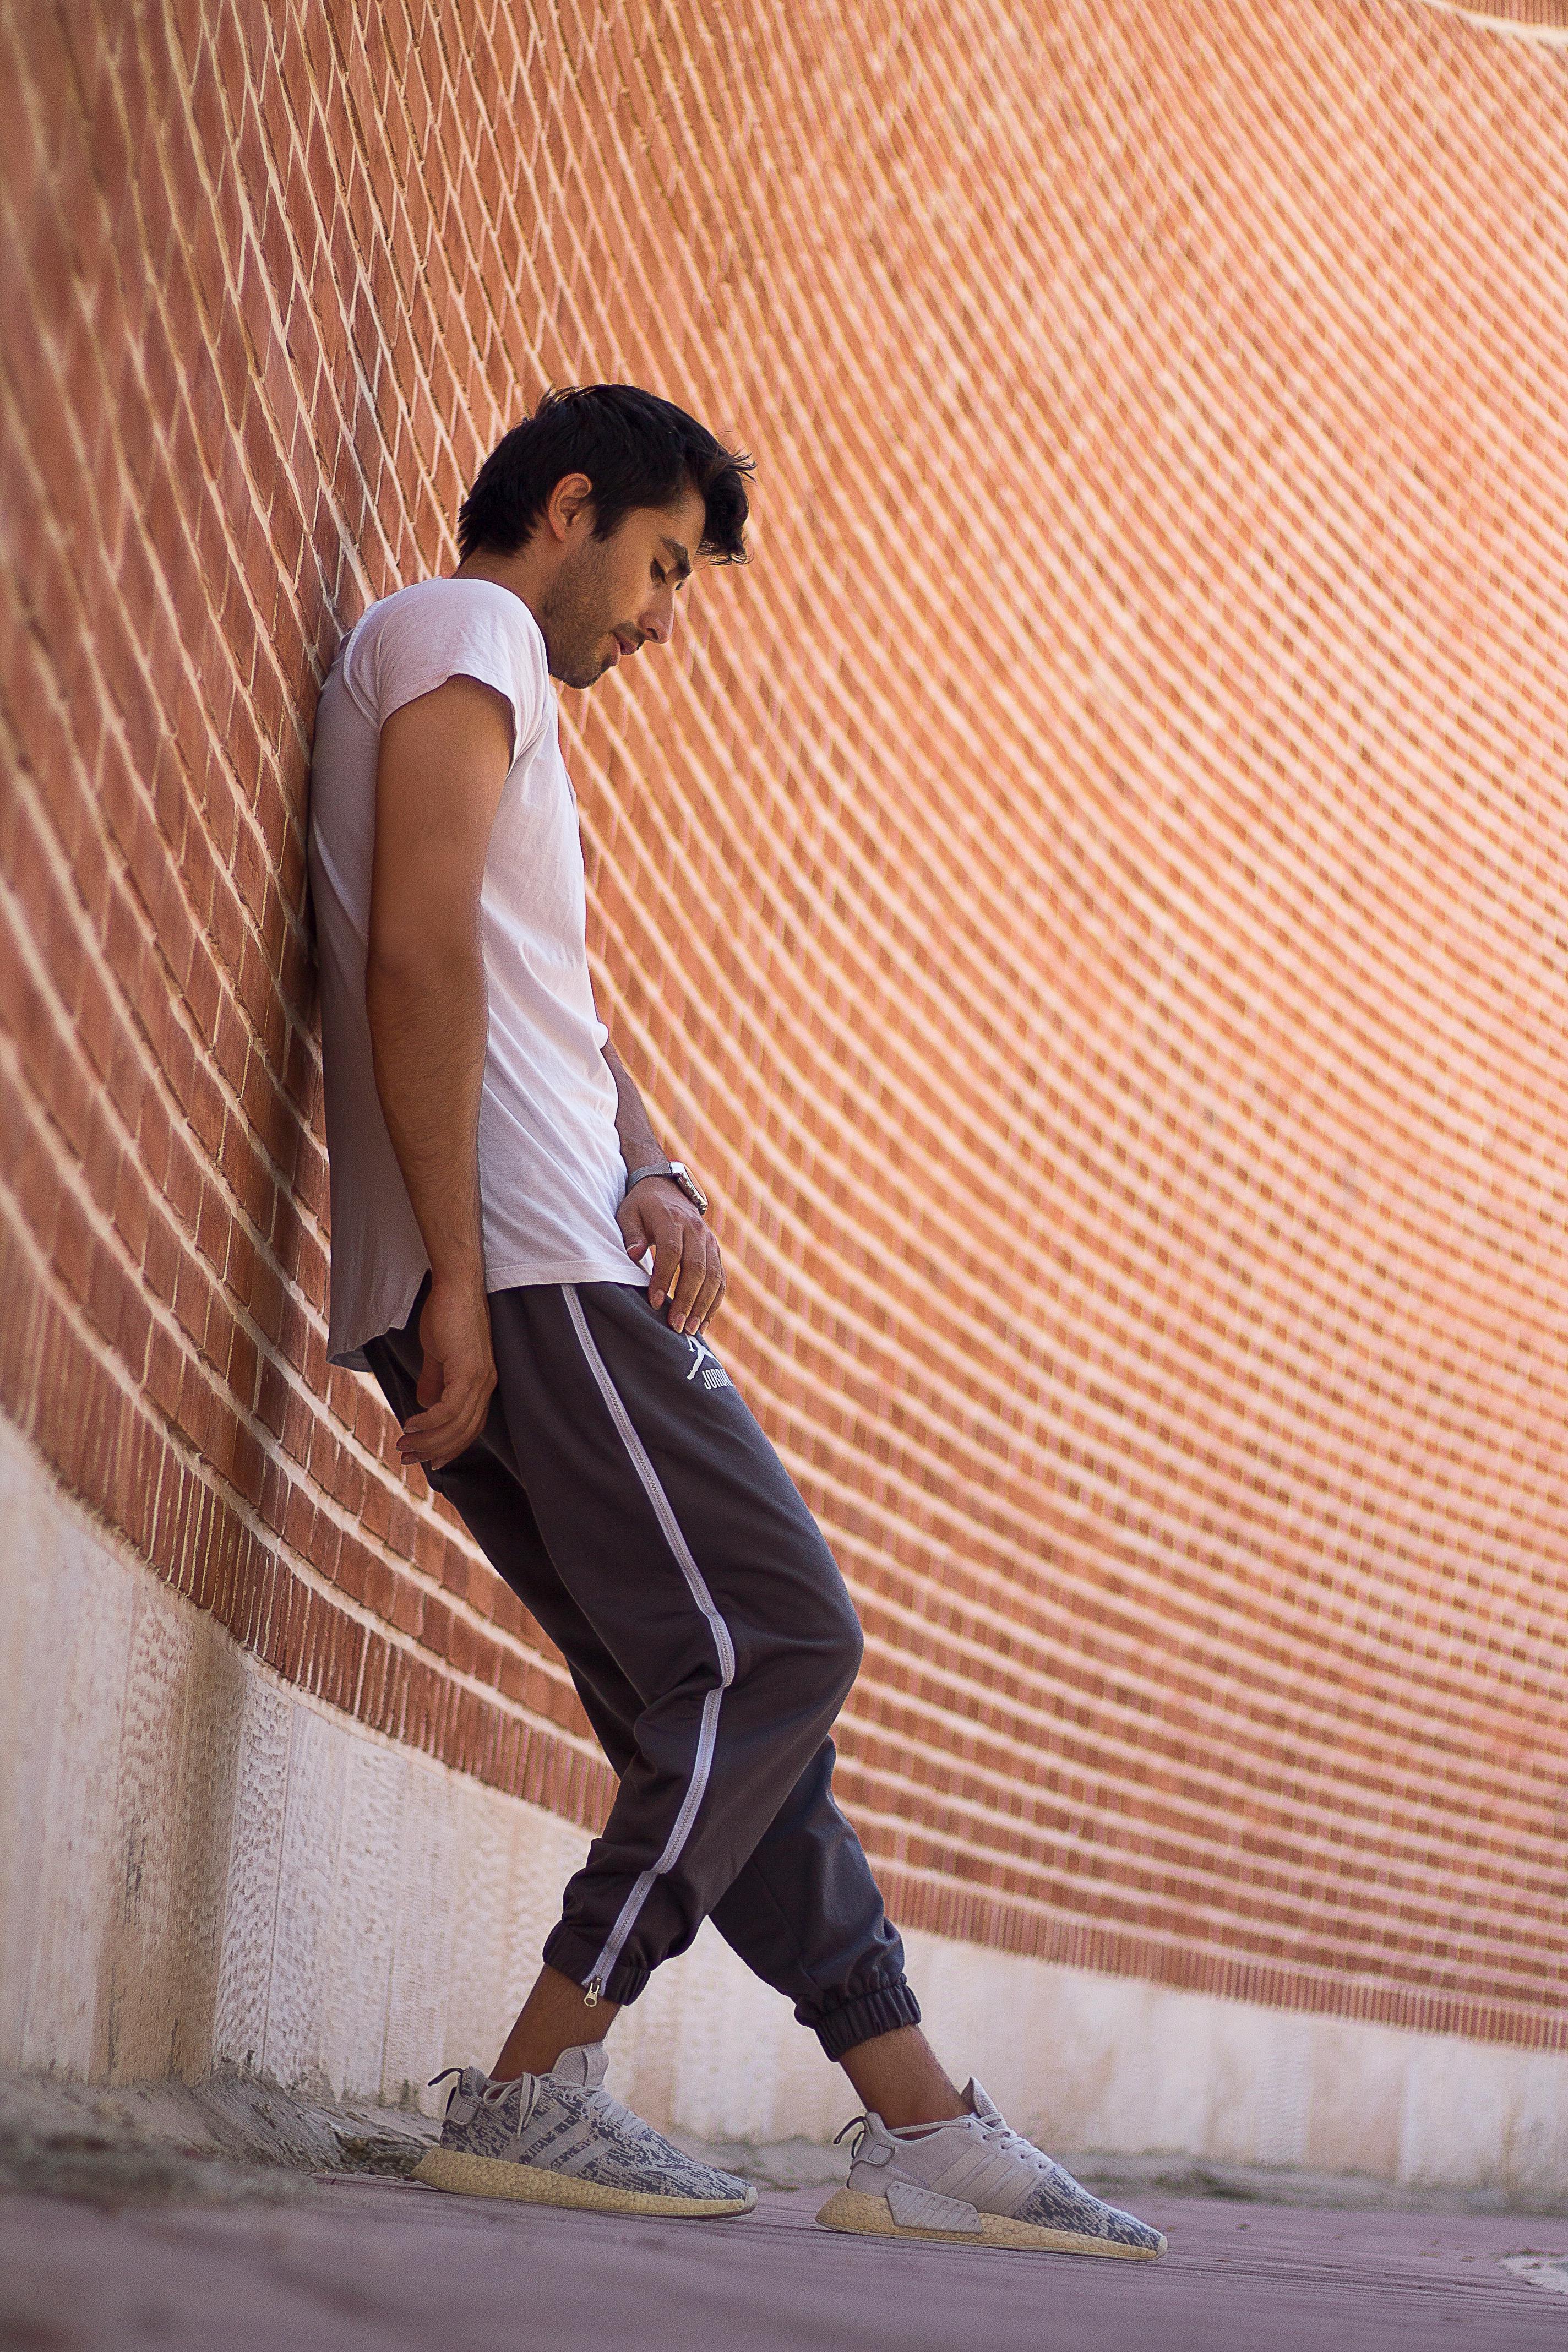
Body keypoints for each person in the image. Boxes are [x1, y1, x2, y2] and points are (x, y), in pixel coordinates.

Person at [307, 384, 1164, 2259]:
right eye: (663, 568)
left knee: (716, 1713)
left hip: (540, 1248)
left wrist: (659, 1163)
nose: (664, 620)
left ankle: (919, 2120)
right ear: (570, 503)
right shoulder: (458, 633)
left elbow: (538, 1006)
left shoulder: (480, 671)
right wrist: (462, 1268)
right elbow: (418, 947)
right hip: (525, 1273)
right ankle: (537, 2081)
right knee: (785, 1634)